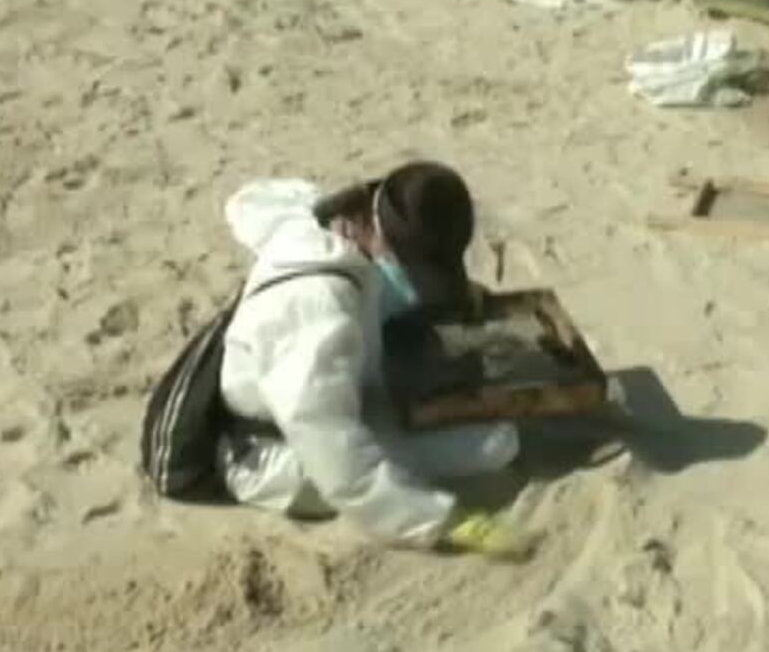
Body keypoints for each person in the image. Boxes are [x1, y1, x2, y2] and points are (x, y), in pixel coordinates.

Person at [215, 161, 534, 558]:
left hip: (338, 398)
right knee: (495, 444)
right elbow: (337, 455)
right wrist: (442, 519)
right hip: (272, 453)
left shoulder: (327, 222)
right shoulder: (314, 308)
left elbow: (247, 202)